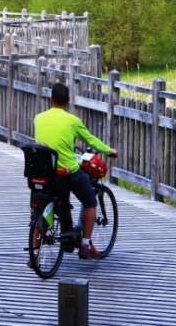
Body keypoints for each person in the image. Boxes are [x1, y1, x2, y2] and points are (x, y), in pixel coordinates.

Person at [34, 82, 117, 259]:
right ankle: (85, 245)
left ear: (51, 99)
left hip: (43, 172)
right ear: (68, 101)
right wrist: (109, 151)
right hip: (66, 172)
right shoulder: (72, 121)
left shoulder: (38, 118)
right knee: (90, 201)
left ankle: (34, 251)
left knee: (40, 206)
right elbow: (91, 141)